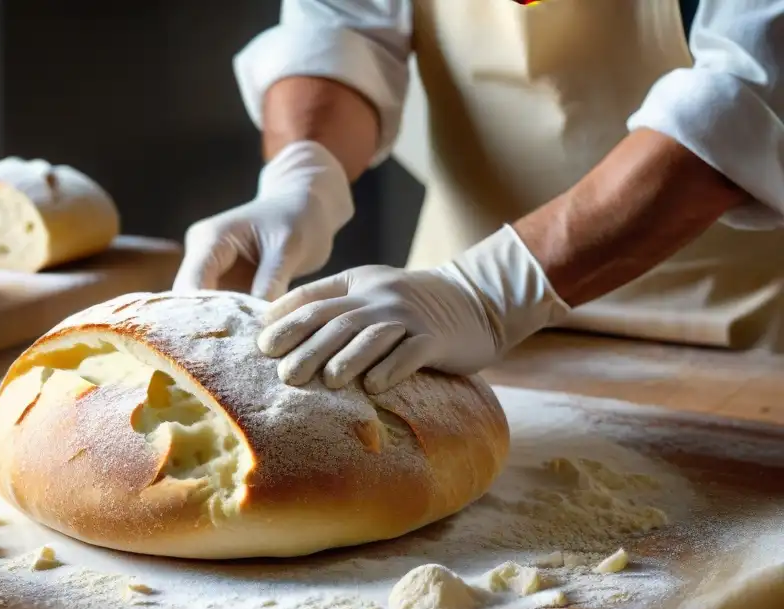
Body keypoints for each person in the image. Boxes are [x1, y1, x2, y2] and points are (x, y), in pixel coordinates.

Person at [172, 0, 784, 394]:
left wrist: (487, 292)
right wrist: (303, 173)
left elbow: (744, 103)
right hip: (438, 326)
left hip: (738, 345)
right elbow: (339, 26)